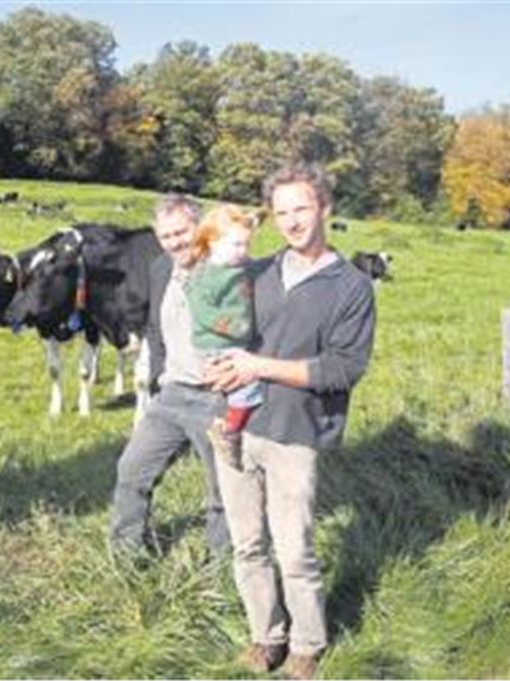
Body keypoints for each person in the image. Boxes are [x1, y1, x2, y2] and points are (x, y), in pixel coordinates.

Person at [204, 162, 376, 679]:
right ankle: (265, 636)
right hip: (234, 427)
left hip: (295, 432)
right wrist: (219, 364)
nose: (292, 221)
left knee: (295, 549)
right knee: (247, 544)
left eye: (301, 208)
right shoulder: (255, 273)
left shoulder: (351, 287)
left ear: (325, 207)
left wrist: (260, 367)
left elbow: (344, 368)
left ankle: (306, 643)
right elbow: (224, 330)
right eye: (281, 212)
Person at [108, 195, 230, 561]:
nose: (176, 241)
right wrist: (160, 374)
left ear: (200, 228)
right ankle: (127, 556)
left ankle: (223, 568)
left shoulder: (227, 270)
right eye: (166, 236)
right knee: (132, 469)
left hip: (216, 398)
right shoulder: (161, 269)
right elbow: (155, 327)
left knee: (223, 489)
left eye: (182, 232)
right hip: (172, 395)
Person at [184, 204, 266, 471]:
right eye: (237, 245)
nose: (243, 251)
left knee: (243, 386)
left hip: (233, 341)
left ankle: (231, 426)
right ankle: (229, 432)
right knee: (248, 388)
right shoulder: (207, 275)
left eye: (246, 244)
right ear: (214, 242)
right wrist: (237, 327)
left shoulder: (237, 267)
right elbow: (202, 311)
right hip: (218, 344)